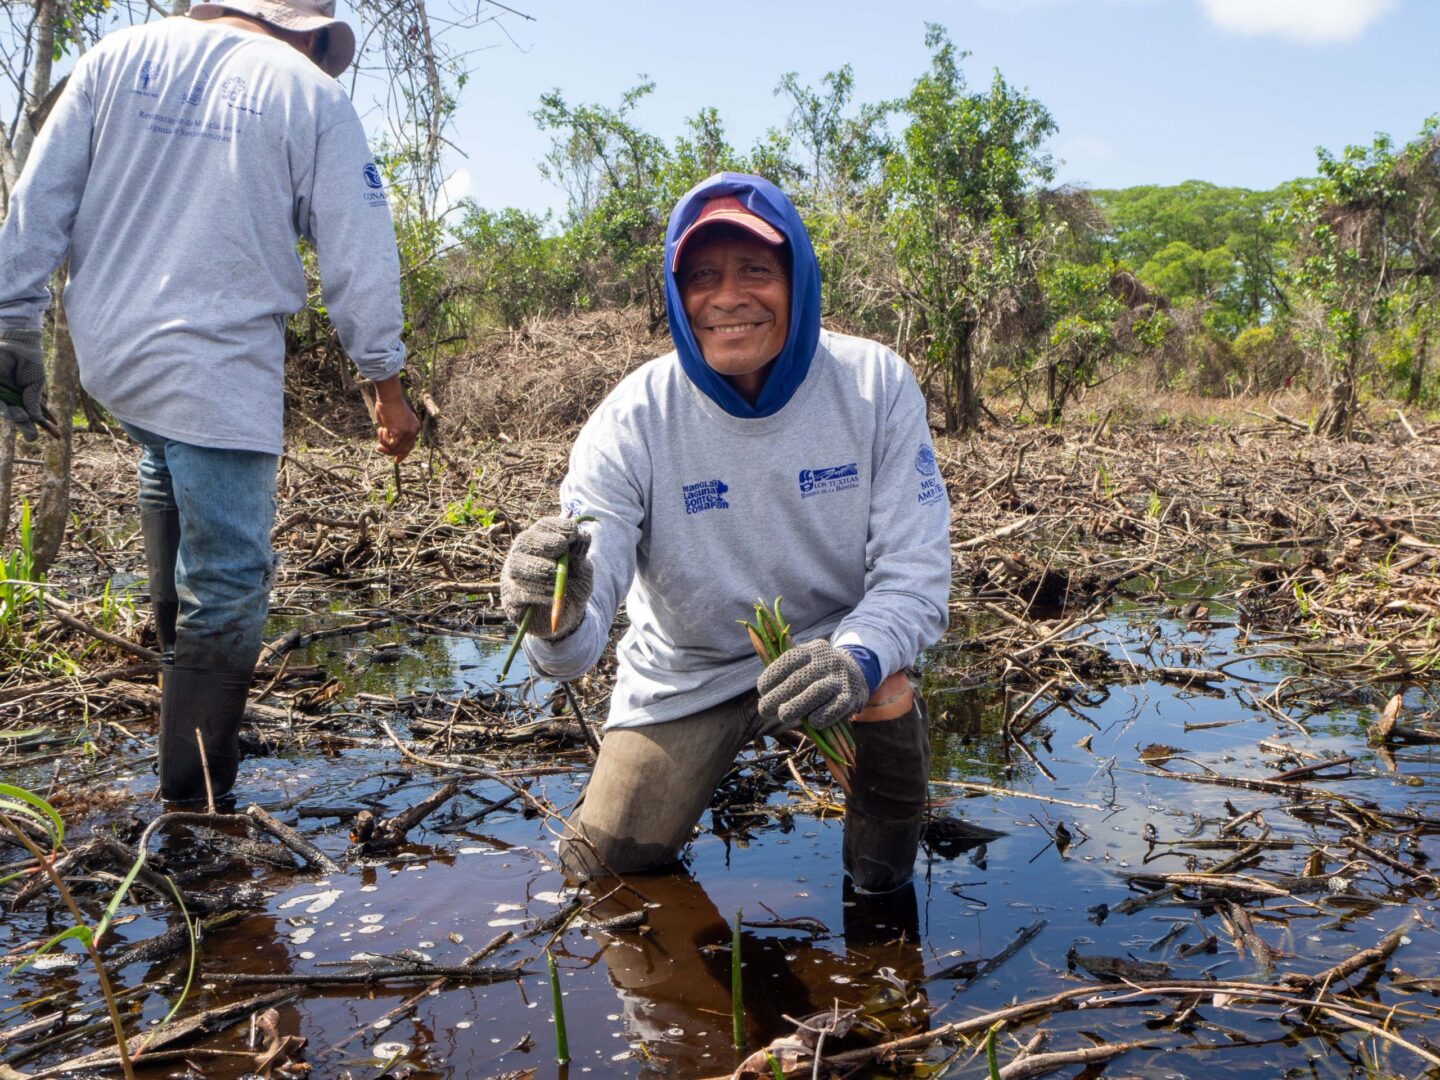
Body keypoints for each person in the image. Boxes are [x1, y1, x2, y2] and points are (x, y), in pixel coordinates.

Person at [0, 0, 420, 803]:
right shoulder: (312, 93)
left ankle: (183, 695)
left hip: (112, 354)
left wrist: (12, 320)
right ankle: (194, 803)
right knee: (228, 581)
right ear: (306, 31)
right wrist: (385, 382)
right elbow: (359, 249)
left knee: (164, 459)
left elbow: (42, 193)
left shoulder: (117, 54)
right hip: (215, 360)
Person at [499, 172, 951, 895]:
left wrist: (855, 659)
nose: (728, 298)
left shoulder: (874, 385)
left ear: (798, 278)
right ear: (677, 296)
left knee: (886, 694)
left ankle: (879, 920)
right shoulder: (634, 419)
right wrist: (551, 615)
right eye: (702, 276)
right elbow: (571, 656)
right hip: (688, 668)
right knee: (604, 873)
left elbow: (915, 577)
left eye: (755, 270)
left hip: (828, 654)